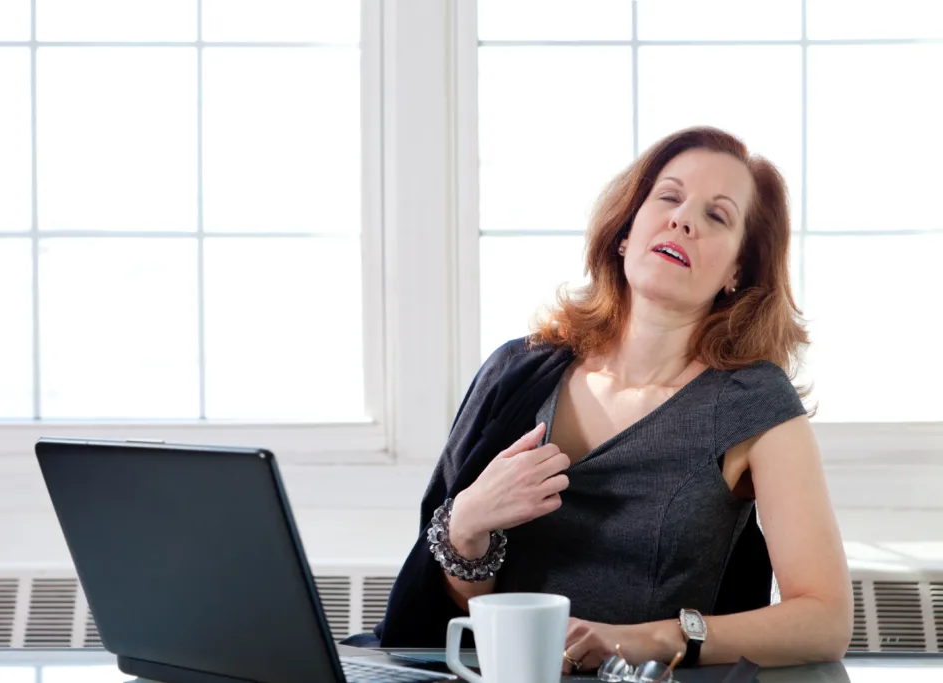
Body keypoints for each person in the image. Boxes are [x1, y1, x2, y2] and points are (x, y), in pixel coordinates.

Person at [361, 126, 853, 671]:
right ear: (626, 231)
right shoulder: (514, 372)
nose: (682, 219)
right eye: (668, 196)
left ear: (738, 269)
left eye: (717, 216)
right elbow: (464, 621)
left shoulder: (754, 404)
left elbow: (825, 621)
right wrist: (467, 526)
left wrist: (647, 639)